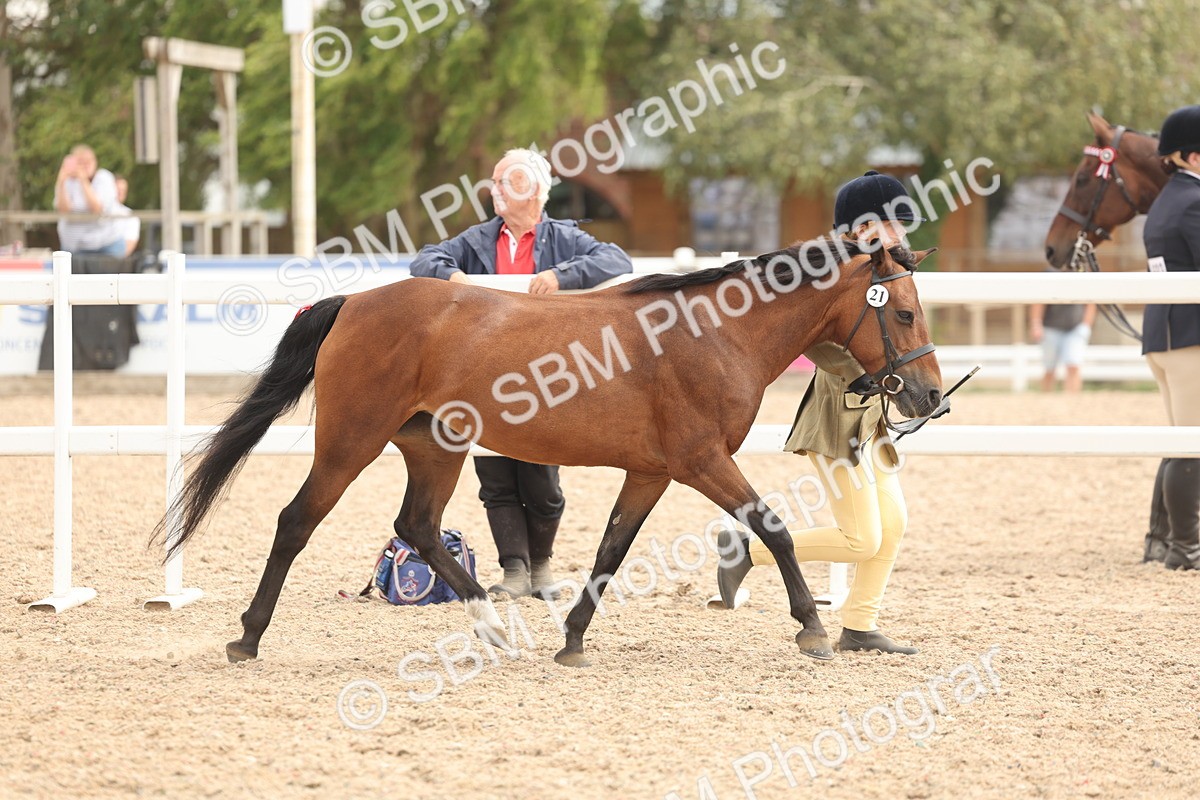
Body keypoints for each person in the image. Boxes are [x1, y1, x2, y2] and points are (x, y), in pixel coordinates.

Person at [716, 171, 930, 656]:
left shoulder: (886, 268)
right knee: (860, 538)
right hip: (837, 415)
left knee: (892, 526)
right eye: (894, 224)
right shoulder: (827, 273)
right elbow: (814, 337)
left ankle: (859, 625)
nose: (902, 234)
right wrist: (868, 375)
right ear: (864, 227)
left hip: (872, 416)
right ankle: (743, 552)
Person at [410, 148, 633, 598]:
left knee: (542, 477)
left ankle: (542, 569)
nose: (494, 190)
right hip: (484, 374)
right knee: (494, 476)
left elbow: (616, 261)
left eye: (503, 182)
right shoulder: (474, 241)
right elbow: (424, 261)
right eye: (493, 182)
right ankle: (514, 571)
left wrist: (560, 276)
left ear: (531, 190)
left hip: (544, 374)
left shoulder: (566, 240)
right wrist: (452, 278)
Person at [1139, 105, 1200, 570]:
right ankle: (1186, 548)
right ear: (1193, 157)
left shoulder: (1166, 199)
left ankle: (1159, 541)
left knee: (1181, 437)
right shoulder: (1194, 201)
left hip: (1162, 333)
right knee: (1191, 443)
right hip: (1189, 336)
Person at [54, 145, 123, 256]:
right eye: (81, 162)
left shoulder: (103, 178)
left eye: (89, 161)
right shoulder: (68, 181)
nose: (86, 165)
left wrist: (83, 180)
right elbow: (63, 210)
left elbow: (97, 208)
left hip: (104, 246)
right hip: (73, 246)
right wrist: (61, 181)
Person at [1029, 288, 1096, 392]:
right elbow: (1039, 302)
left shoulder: (1080, 275)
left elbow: (1090, 303)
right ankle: (1046, 399)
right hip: (1050, 327)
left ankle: (1073, 401)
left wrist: (1086, 325)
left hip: (1075, 327)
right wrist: (1036, 324)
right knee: (1050, 368)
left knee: (1073, 365)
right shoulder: (1050, 273)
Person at [113, 175, 141, 257]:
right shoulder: (95, 212)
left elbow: (128, 247)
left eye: (123, 191)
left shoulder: (131, 216)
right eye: (117, 190)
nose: (120, 194)